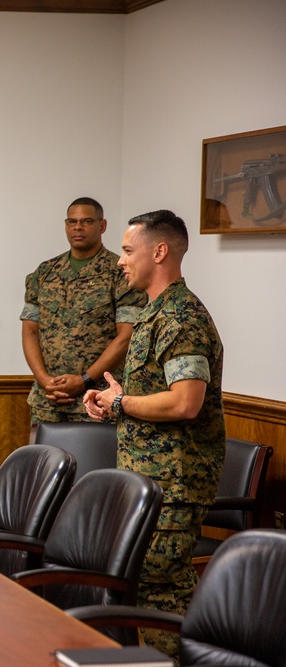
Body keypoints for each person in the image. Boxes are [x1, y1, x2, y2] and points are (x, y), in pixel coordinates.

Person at [83, 209, 225, 660]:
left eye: (128, 251)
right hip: (150, 477)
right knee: (150, 588)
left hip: (174, 484)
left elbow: (186, 402)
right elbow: (157, 397)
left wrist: (123, 404)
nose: (120, 261)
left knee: (161, 590)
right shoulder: (153, 313)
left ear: (159, 251)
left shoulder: (181, 316)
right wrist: (114, 401)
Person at [21, 197, 146, 431]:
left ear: (102, 226)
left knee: (93, 467)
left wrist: (84, 380)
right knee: (41, 466)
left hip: (97, 400)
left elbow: (126, 337)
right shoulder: (44, 273)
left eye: (87, 221)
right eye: (72, 221)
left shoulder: (120, 273)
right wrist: (44, 381)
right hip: (48, 401)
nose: (78, 227)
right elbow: (30, 330)